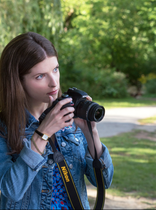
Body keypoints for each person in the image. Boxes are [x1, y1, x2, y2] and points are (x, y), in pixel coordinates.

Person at [0, 32, 113, 209]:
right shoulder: (3, 127)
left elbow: (104, 182)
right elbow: (12, 190)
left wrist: (91, 132)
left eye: (55, 69)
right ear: (18, 82)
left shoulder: (71, 117)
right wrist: (42, 134)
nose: (54, 83)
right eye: (40, 76)